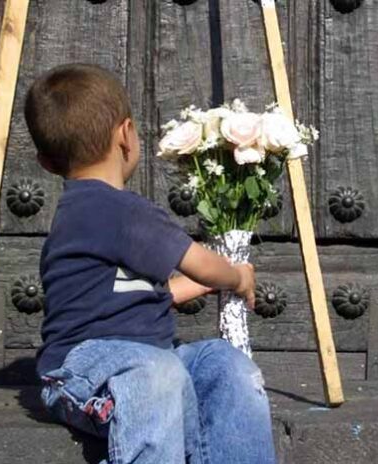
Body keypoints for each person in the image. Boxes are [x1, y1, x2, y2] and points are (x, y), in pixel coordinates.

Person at [24, 63, 276, 464]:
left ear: (46, 163)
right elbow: (201, 263)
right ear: (126, 134)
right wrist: (237, 277)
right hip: (86, 371)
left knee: (224, 364)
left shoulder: (79, 216)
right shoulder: (120, 210)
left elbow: (132, 295)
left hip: (153, 361)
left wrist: (201, 286)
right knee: (161, 372)